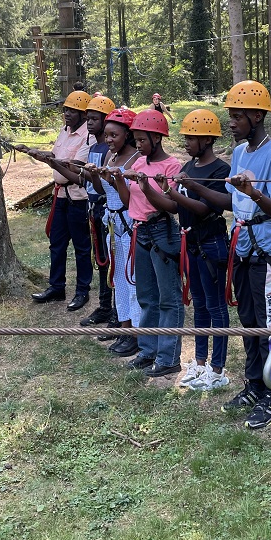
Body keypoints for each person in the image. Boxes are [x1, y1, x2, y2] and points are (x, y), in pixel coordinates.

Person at [211, 80, 271, 430]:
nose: (230, 123)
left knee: (268, 323)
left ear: (257, 116)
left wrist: (254, 192)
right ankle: (255, 385)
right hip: (242, 246)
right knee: (248, 319)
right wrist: (193, 187)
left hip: (266, 249)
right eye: (230, 116)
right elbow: (235, 202)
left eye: (237, 116)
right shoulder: (239, 153)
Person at [157, 109, 231, 392]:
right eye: (186, 137)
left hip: (211, 243)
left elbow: (205, 209)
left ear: (207, 140)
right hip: (191, 243)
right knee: (199, 304)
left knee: (216, 306)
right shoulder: (188, 167)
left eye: (191, 138)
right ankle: (200, 363)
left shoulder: (220, 171)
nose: (186, 142)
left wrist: (185, 188)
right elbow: (179, 207)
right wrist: (167, 191)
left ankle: (218, 369)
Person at [18, 90, 94, 311]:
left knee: (81, 247)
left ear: (83, 114)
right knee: (57, 244)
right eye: (66, 110)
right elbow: (54, 155)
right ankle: (56, 287)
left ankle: (82, 291)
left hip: (78, 198)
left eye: (73, 111)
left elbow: (73, 165)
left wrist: (47, 160)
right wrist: (32, 151)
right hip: (60, 195)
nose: (67, 114)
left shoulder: (88, 137)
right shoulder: (64, 131)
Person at [121, 109, 183, 378]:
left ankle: (169, 357)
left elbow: (172, 205)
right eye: (135, 139)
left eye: (142, 140)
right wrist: (117, 180)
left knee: (168, 298)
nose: (138, 145)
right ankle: (148, 350)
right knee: (146, 296)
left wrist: (146, 187)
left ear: (157, 138)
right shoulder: (138, 163)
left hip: (162, 231)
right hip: (141, 231)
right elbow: (129, 201)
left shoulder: (171, 167)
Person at [86, 108, 143, 357]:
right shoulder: (111, 156)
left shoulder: (136, 160)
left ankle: (137, 334)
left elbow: (131, 199)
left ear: (127, 135)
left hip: (129, 224)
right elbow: (102, 190)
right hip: (113, 224)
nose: (108, 140)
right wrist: (94, 175)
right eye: (107, 135)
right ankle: (124, 326)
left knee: (132, 281)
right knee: (118, 279)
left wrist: (113, 179)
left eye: (114, 135)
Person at [77, 95, 118, 329]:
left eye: (94, 119)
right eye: (88, 119)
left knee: (111, 261)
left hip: (106, 209)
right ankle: (104, 306)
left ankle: (116, 310)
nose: (89, 123)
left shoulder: (109, 151)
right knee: (101, 260)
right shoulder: (93, 148)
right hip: (93, 208)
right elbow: (85, 180)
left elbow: (102, 184)